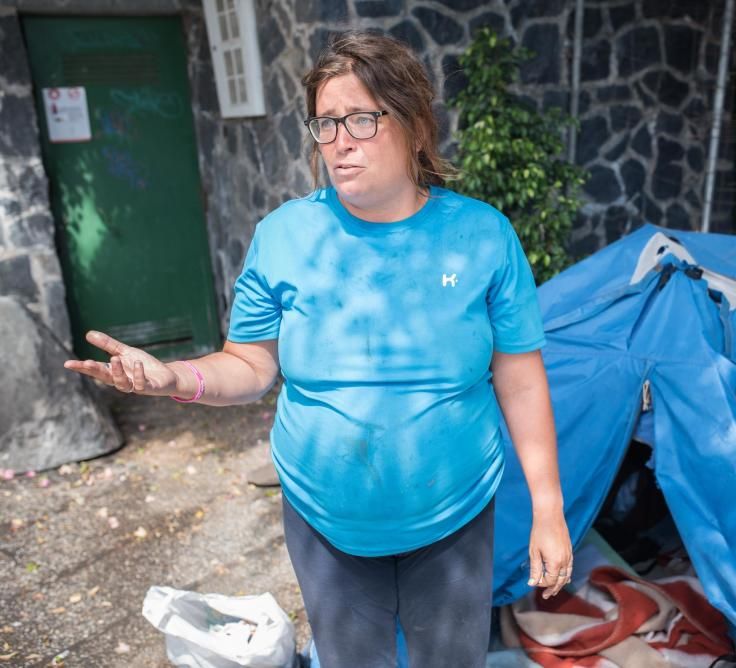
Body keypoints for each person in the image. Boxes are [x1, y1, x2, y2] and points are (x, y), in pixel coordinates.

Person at [64, 30, 573, 667]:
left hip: (454, 519)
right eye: (326, 124)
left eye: (361, 118)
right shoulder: (284, 236)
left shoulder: (482, 236)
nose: (340, 141)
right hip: (325, 523)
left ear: (415, 126)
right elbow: (250, 364)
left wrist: (548, 510)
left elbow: (520, 379)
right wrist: (173, 379)